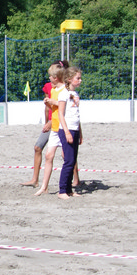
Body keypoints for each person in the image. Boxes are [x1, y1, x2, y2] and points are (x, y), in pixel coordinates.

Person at [22, 62, 64, 187]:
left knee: (66, 154)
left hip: (59, 123)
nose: (49, 77)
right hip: (51, 123)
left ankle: (75, 181)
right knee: (38, 148)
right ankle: (35, 180)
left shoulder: (64, 89)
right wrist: (46, 122)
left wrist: (50, 122)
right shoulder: (49, 87)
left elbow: (63, 109)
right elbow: (49, 108)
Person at [34, 64, 67, 197]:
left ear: (55, 77)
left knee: (66, 157)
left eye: (50, 76)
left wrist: (54, 102)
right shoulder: (53, 90)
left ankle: (68, 186)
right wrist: (48, 102)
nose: (49, 78)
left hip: (63, 127)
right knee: (48, 156)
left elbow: (65, 105)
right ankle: (44, 187)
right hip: (54, 128)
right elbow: (54, 108)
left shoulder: (65, 90)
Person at [57, 66, 83, 200]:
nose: (80, 80)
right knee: (69, 161)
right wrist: (67, 132)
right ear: (69, 79)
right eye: (78, 78)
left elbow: (77, 115)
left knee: (73, 161)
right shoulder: (63, 94)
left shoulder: (75, 94)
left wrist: (80, 132)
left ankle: (69, 190)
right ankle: (62, 190)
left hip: (75, 129)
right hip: (66, 130)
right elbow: (60, 114)